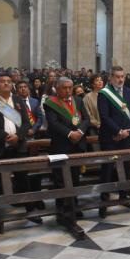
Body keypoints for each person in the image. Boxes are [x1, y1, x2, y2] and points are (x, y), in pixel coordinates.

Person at [0, 73, 41, 225]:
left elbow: (26, 123)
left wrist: (18, 137)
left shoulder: (17, 100)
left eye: (8, 81)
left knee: (23, 179)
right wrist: (6, 137)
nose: (6, 84)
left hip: (17, 146)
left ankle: (30, 209)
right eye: (2, 81)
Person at [97, 66, 130, 217]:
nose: (120, 79)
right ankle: (104, 201)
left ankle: (124, 196)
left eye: (122, 76)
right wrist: (117, 131)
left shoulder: (129, 92)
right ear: (111, 78)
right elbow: (104, 116)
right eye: (117, 76)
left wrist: (126, 131)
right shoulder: (104, 94)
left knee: (126, 168)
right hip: (109, 137)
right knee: (107, 169)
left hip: (125, 137)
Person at [44, 77, 90, 216]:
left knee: (75, 176)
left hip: (77, 144)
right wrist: (70, 134)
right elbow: (53, 123)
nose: (68, 90)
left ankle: (73, 204)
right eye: (64, 88)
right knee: (59, 178)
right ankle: (61, 207)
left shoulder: (78, 100)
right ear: (57, 89)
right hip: (60, 145)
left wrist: (80, 132)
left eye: (70, 87)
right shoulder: (50, 103)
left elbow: (86, 119)